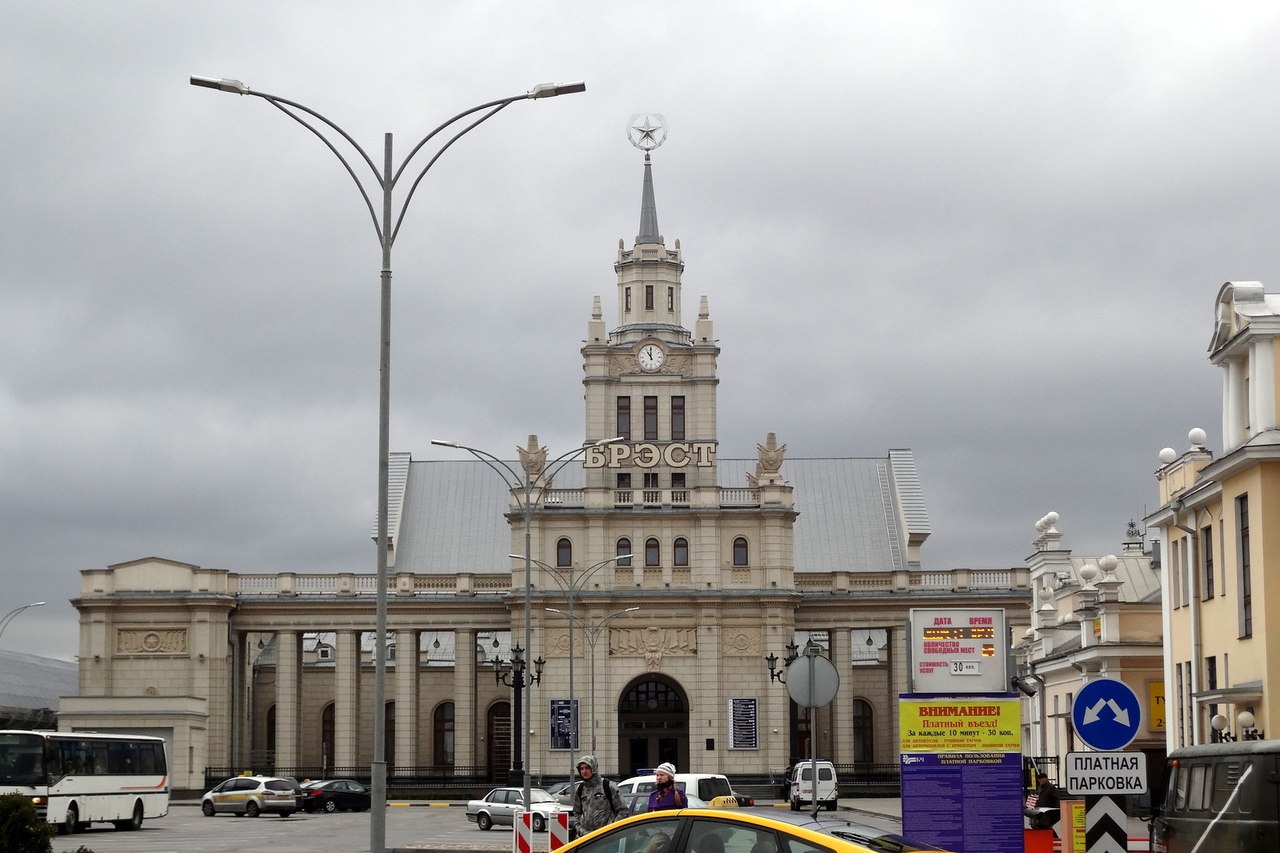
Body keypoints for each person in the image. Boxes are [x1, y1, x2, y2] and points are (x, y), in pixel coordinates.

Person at [573, 754, 626, 836]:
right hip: (585, 837)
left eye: (587, 768)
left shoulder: (608, 786)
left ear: (593, 768)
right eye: (581, 768)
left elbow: (623, 811)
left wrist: (610, 830)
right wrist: (581, 830)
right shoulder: (580, 789)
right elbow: (577, 813)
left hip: (606, 837)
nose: (584, 771)